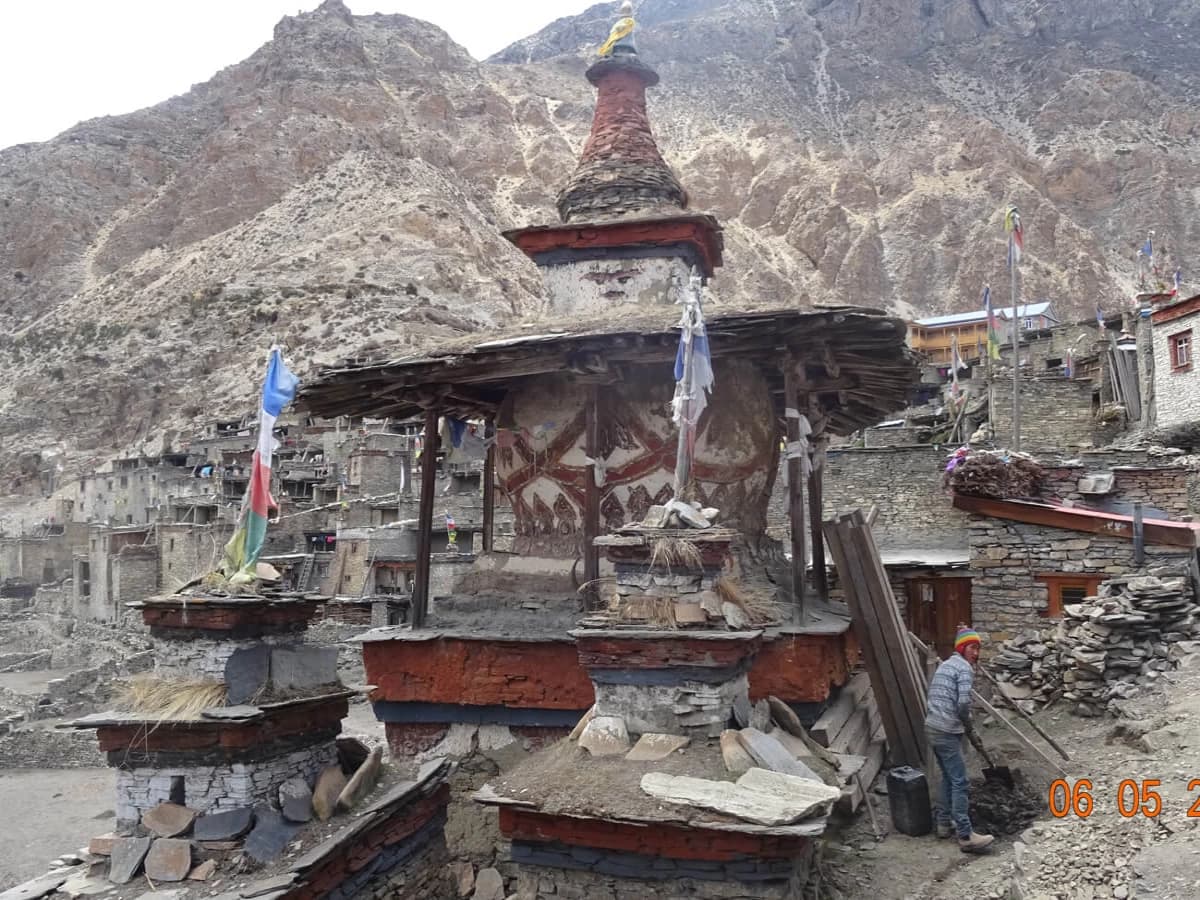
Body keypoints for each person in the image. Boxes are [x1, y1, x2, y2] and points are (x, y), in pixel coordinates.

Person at [925, 625, 994, 853]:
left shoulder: (945, 665)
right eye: (972, 647)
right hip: (946, 729)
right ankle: (966, 835)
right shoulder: (964, 669)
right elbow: (963, 703)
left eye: (978, 648)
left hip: (933, 727)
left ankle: (944, 824)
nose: (976, 653)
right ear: (962, 649)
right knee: (961, 781)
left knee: (947, 777)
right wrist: (968, 724)